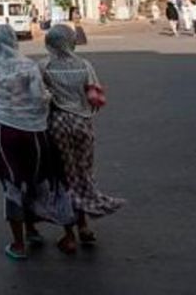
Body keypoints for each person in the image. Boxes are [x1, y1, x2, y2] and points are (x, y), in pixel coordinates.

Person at [0, 24, 76, 260]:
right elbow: (40, 96)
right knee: (45, 178)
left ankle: (19, 243)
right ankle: (66, 233)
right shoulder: (28, 66)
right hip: (35, 130)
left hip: (4, 130)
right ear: (14, 41)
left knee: (12, 182)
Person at [41, 24, 125, 246]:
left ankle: (69, 235)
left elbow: (40, 96)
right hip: (82, 123)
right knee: (83, 173)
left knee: (64, 176)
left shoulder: (44, 66)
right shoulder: (84, 65)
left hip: (57, 124)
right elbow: (94, 94)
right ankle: (84, 225)